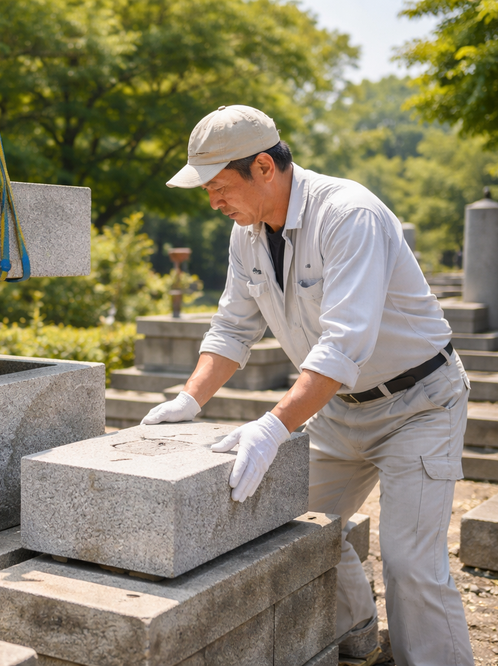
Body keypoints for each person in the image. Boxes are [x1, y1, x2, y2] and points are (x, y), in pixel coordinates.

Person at [142, 105, 474, 666]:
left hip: (419, 403)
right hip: (338, 410)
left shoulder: (349, 216)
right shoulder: (246, 233)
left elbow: (344, 344)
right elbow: (231, 326)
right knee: (292, 521)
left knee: (409, 561)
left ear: (265, 168)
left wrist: (273, 427)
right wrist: (189, 399)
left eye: (221, 187)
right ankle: (357, 636)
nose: (214, 202)